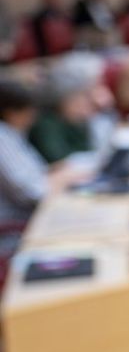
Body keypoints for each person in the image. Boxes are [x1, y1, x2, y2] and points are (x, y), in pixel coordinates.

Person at [0, 79, 80, 254]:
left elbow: (37, 174)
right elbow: (33, 192)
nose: (33, 116)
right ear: (11, 113)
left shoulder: (12, 134)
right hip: (16, 229)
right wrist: (61, 179)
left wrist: (58, 175)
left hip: (31, 218)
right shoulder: (2, 138)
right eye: (28, 111)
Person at [29, 53, 114, 164]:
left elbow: (93, 147)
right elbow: (57, 159)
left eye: (84, 96)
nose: (83, 102)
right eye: (77, 98)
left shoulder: (77, 119)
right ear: (61, 100)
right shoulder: (46, 124)